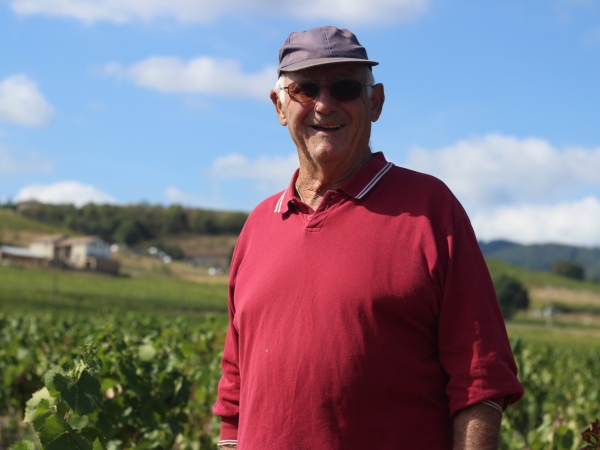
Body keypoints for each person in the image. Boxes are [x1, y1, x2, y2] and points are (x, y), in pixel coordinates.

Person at [213, 26, 524, 449]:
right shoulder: (257, 227)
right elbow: (234, 392)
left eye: (344, 88)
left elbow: (479, 381)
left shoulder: (431, 210)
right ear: (279, 106)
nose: (325, 104)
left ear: (374, 102)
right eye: (305, 89)